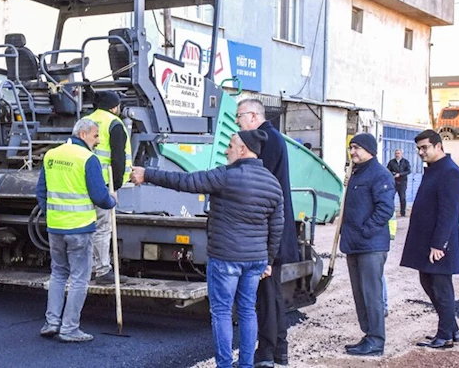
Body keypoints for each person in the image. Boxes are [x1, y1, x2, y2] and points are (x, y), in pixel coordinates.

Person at [130, 130, 284, 368]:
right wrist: (269, 261)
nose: (226, 150)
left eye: (230, 146)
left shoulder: (226, 176)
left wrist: (148, 173)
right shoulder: (272, 182)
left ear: (243, 150)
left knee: (222, 312)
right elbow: (277, 226)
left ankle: (223, 365)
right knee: (247, 310)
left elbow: (185, 182)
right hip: (255, 260)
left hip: (226, 257)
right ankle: (245, 365)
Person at [35, 118, 117, 343]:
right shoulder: (88, 159)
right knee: (80, 278)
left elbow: (41, 191)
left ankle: (51, 323)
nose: (98, 141)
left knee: (58, 274)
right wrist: (112, 200)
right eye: (95, 136)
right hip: (80, 228)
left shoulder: (51, 155)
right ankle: (69, 328)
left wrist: (52, 214)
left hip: (56, 227)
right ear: (83, 135)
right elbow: (100, 197)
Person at [235, 98, 298, 368]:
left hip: (270, 230)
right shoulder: (273, 138)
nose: (237, 121)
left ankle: (268, 353)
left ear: (252, 116)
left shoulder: (266, 140)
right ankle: (277, 351)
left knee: (267, 296)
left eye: (239, 116)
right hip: (273, 229)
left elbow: (261, 185)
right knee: (270, 295)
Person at [401, 129, 459, 349]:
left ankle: (445, 335)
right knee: (428, 282)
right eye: (418, 148)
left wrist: (439, 244)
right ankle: (452, 329)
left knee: (440, 287)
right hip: (426, 241)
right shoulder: (435, 169)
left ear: (439, 146)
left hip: (437, 244)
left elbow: (449, 212)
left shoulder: (449, 171)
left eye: (425, 147)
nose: (420, 152)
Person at [341, 133, 395, 357]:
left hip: (370, 246)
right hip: (355, 245)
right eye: (351, 147)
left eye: (357, 148)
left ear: (370, 150)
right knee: (360, 294)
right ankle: (368, 335)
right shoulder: (356, 172)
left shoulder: (379, 174)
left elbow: (385, 209)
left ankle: (376, 340)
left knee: (371, 295)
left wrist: (365, 231)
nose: (352, 152)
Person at [83, 91, 131, 284]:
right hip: (104, 183)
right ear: (114, 107)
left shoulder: (85, 121)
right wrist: (116, 186)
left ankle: (91, 268)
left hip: (83, 182)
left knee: (87, 227)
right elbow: (118, 158)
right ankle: (103, 270)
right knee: (103, 227)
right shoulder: (114, 123)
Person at [386, 149, 412, 217]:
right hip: (393, 182)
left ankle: (402, 213)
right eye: (396, 153)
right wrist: (393, 174)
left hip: (402, 182)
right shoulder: (391, 162)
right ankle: (390, 212)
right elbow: (387, 170)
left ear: (401, 154)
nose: (397, 155)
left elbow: (409, 171)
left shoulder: (405, 162)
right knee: (390, 197)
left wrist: (400, 174)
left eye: (398, 153)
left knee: (402, 198)